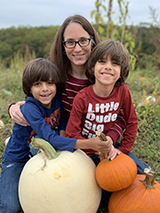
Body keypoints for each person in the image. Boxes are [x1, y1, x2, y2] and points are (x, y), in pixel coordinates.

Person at [0, 58, 109, 213]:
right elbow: (50, 139)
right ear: (29, 87)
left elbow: (63, 121)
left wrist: (64, 143)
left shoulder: (56, 100)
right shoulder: (30, 108)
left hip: (37, 148)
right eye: (38, 84)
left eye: (50, 83)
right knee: (9, 207)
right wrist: (88, 144)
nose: (45, 89)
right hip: (17, 156)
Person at [66, 39, 138, 161]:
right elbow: (72, 135)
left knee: (142, 170)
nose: (108, 67)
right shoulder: (82, 97)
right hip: (85, 152)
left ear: (121, 72)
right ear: (93, 68)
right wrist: (92, 149)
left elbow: (132, 121)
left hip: (111, 147)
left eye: (115, 63)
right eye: (102, 61)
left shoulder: (122, 91)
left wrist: (122, 150)